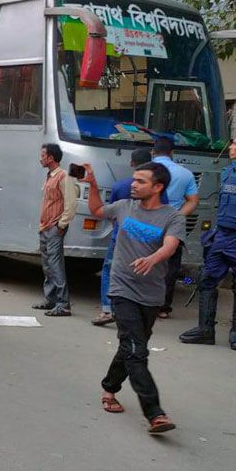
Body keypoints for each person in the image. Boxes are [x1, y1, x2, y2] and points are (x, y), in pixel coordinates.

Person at [84, 161, 183, 434]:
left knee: (130, 348)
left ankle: (109, 388)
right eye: (134, 180)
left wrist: (153, 258)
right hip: (122, 289)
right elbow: (96, 210)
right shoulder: (123, 206)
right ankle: (155, 413)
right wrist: (92, 184)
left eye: (141, 181)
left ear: (158, 187)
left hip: (151, 295)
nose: (133, 184)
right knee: (137, 351)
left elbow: (170, 246)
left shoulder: (172, 217)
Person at [179, 131, 236, 350]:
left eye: (235, 144)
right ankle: (205, 330)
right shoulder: (227, 172)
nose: (230, 147)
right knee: (206, 280)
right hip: (221, 236)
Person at [92, 148, 164, 326]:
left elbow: (105, 212)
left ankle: (108, 309)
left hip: (121, 235)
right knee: (141, 269)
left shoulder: (120, 186)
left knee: (111, 269)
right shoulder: (157, 190)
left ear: (132, 163)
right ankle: (136, 308)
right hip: (148, 238)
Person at [151, 137, 201, 317]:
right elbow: (193, 201)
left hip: (147, 221)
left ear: (153, 151)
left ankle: (143, 301)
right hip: (173, 225)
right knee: (171, 266)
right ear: (172, 153)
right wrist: (178, 217)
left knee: (143, 258)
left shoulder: (145, 170)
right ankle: (163, 307)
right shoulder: (185, 173)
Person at [34, 143, 77, 317]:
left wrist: (61, 224)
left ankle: (63, 303)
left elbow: (71, 203)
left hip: (54, 226)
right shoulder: (50, 176)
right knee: (47, 264)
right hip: (46, 226)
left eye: (43, 155)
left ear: (51, 158)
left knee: (55, 264)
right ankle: (51, 299)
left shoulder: (63, 176)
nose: (41, 158)